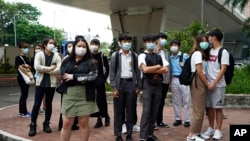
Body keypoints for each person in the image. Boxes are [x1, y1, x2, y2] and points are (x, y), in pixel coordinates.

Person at [59, 37, 99, 141]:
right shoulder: (66, 61)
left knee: (83, 123)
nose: (81, 48)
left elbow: (93, 77)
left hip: (86, 95)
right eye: (79, 46)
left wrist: (74, 76)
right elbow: (64, 77)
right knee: (67, 123)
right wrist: (84, 76)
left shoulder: (91, 62)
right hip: (69, 94)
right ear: (74, 47)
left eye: (84, 46)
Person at [109, 32, 141, 141]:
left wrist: (138, 87)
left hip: (131, 84)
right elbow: (112, 73)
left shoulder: (134, 56)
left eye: (128, 41)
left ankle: (129, 134)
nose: (127, 43)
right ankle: (118, 135)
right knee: (118, 111)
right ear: (120, 43)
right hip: (119, 84)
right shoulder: (115, 56)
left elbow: (138, 72)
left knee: (131, 110)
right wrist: (114, 88)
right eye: (124, 41)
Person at [28, 37, 62, 136]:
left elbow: (59, 69)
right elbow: (36, 67)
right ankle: (33, 124)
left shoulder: (57, 56)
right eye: (51, 43)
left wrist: (45, 70)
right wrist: (50, 68)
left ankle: (46, 123)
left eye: (54, 43)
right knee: (37, 104)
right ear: (45, 44)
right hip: (40, 83)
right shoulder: (39, 54)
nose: (53, 45)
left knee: (49, 104)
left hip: (51, 84)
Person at [138, 34, 168, 141]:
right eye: (148, 41)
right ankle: (143, 136)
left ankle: (150, 134)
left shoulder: (159, 56)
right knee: (146, 111)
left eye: (152, 41)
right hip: (147, 85)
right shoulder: (142, 56)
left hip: (158, 85)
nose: (150, 43)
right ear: (144, 43)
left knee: (154, 111)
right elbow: (144, 70)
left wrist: (154, 69)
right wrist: (157, 67)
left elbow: (166, 69)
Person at [201, 29, 229, 140]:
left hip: (218, 85)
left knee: (218, 108)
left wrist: (214, 83)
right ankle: (211, 128)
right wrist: (208, 83)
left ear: (214, 37)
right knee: (209, 108)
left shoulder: (223, 52)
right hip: (208, 84)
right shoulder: (209, 51)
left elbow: (223, 69)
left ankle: (218, 130)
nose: (208, 39)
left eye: (210, 37)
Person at [186, 35, 210, 141]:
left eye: (206, 41)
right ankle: (191, 135)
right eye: (202, 41)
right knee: (198, 109)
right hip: (198, 81)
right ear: (198, 43)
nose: (205, 43)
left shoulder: (200, 54)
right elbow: (199, 72)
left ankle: (198, 132)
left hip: (199, 81)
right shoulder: (198, 54)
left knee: (200, 108)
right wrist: (208, 84)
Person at [169, 39, 191, 127]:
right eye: (172, 45)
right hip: (174, 79)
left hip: (183, 79)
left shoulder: (184, 56)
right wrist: (170, 83)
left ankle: (187, 120)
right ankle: (178, 118)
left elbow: (190, 66)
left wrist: (184, 65)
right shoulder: (170, 57)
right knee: (176, 100)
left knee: (186, 100)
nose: (174, 47)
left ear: (179, 46)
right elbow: (170, 71)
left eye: (175, 45)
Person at [89, 38, 110, 128]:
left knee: (102, 100)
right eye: (92, 43)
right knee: (94, 100)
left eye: (96, 44)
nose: (94, 45)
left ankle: (106, 117)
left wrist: (104, 79)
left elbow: (107, 68)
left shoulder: (102, 55)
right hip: (91, 81)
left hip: (100, 81)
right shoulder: (88, 56)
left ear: (99, 45)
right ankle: (99, 119)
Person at [58, 41, 79, 131]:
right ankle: (62, 125)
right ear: (66, 49)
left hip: (76, 86)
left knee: (75, 106)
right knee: (65, 107)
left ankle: (73, 124)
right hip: (66, 85)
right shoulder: (65, 59)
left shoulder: (78, 59)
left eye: (72, 46)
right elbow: (63, 73)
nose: (71, 48)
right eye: (69, 46)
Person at [154, 32, 170, 128]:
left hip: (165, 80)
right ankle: (153, 121)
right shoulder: (154, 51)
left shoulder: (166, 52)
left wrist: (169, 81)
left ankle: (159, 121)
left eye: (165, 39)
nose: (163, 41)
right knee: (155, 101)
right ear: (157, 40)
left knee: (162, 101)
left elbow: (169, 67)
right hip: (157, 80)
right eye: (161, 38)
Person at [15, 42, 32, 117]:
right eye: (24, 48)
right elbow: (20, 68)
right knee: (24, 95)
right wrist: (28, 75)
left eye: (26, 48)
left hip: (26, 78)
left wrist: (27, 65)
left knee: (24, 94)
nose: (26, 49)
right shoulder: (18, 58)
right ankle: (24, 112)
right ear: (20, 49)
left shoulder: (26, 58)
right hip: (22, 78)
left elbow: (30, 67)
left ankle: (21, 111)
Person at [31, 44, 46, 114]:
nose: (37, 49)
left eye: (39, 48)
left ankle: (44, 106)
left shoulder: (44, 56)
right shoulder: (33, 58)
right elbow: (32, 68)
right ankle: (38, 107)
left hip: (44, 75)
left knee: (45, 93)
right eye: (36, 48)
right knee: (38, 92)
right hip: (36, 76)